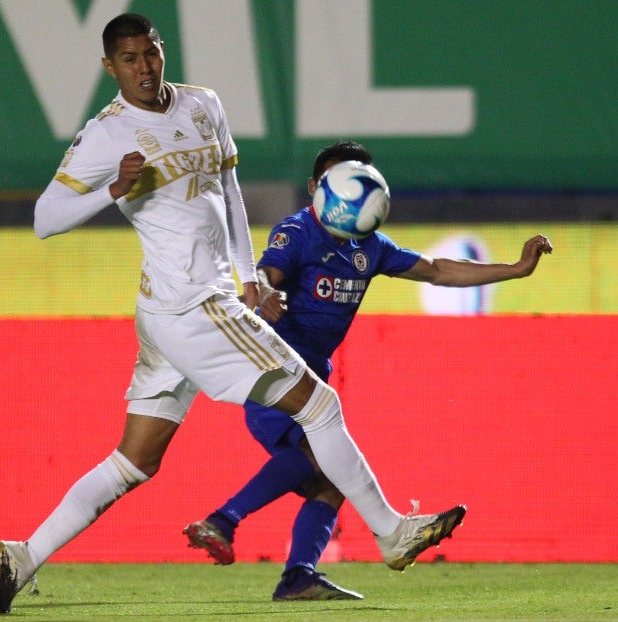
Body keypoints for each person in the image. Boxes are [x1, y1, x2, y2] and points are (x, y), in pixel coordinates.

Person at [0, 14, 467, 615]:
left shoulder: (202, 106)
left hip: (184, 305)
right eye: (129, 60)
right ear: (109, 67)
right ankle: (392, 533)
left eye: (150, 54)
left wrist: (250, 279)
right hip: (190, 306)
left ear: (162, 52)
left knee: (134, 461)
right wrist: (112, 189)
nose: (143, 68)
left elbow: (229, 194)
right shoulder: (106, 135)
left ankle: (24, 554)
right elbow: (44, 218)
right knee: (321, 404)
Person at [183, 141, 553, 601]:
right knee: (323, 460)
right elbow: (264, 280)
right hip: (274, 373)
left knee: (331, 482)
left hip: (312, 376)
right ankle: (222, 520)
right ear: (317, 188)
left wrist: (515, 269)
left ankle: (297, 576)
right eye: (342, 184)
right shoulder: (296, 232)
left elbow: (437, 270)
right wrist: (265, 296)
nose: (353, 196)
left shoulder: (370, 246)